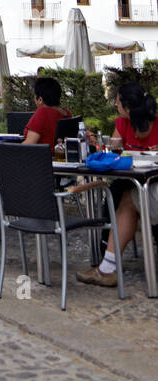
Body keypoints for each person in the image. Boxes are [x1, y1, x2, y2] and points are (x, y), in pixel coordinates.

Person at [78, 84, 158, 287]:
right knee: (117, 194)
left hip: (150, 182)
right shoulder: (122, 123)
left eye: (118, 100)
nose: (115, 104)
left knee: (126, 200)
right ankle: (106, 257)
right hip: (133, 181)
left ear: (128, 107)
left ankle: (107, 266)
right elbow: (114, 149)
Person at [23, 77, 71, 146]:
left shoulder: (42, 112)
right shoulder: (66, 113)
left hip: (41, 155)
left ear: (40, 100)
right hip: (59, 155)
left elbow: (29, 144)